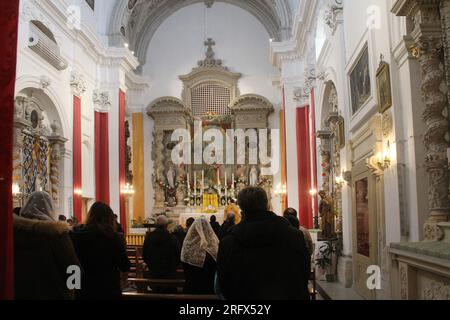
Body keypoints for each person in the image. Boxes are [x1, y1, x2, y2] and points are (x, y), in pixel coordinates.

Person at [217, 187, 311, 300]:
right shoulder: (295, 236)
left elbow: (224, 283)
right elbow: (304, 273)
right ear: (267, 205)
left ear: (241, 209)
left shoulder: (228, 242)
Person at [13, 191, 80, 300]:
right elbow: (74, 268)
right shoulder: (56, 234)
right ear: (50, 208)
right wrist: (72, 292)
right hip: (53, 293)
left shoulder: (13, 232)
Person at [71, 202, 131, 300]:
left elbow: (72, 265)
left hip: (84, 289)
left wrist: (73, 287)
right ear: (109, 218)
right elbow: (125, 265)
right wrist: (123, 281)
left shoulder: (76, 236)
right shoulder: (114, 238)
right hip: (108, 289)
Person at [181, 218, 219, 294]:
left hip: (191, 287)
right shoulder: (214, 247)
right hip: (209, 288)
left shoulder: (187, 246)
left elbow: (184, 264)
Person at [142, 215, 180, 281]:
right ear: (166, 225)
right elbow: (178, 256)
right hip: (169, 274)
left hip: (154, 272)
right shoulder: (173, 238)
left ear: (156, 224)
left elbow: (145, 256)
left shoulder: (148, 237)